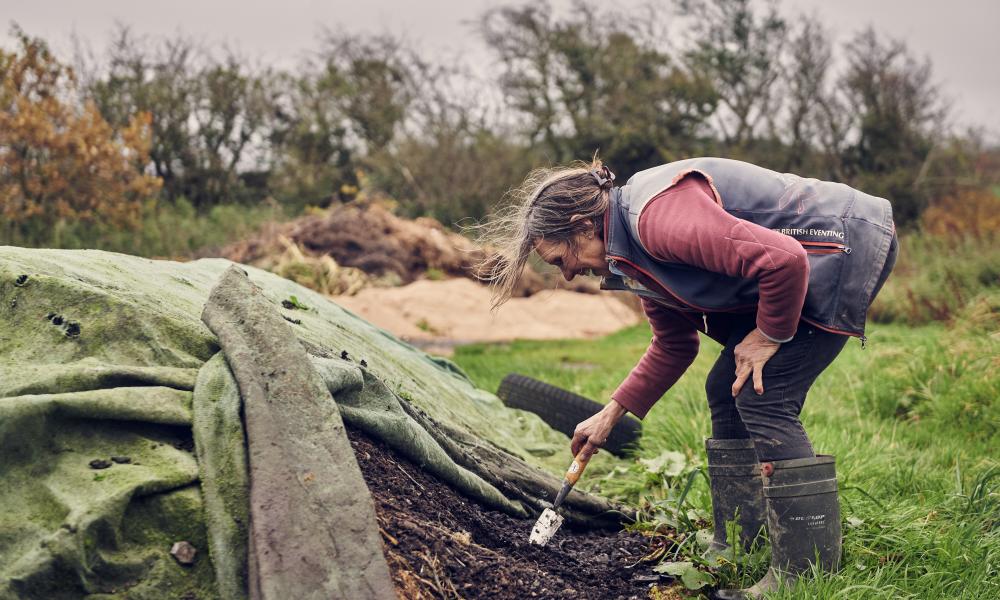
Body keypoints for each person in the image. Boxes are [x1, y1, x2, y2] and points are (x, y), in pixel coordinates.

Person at [481, 157, 897, 600]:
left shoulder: (657, 221)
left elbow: (785, 260)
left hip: (841, 245)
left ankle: (803, 575)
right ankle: (739, 542)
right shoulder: (631, 256)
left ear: (584, 226)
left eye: (561, 258)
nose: (566, 273)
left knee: (765, 395)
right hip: (802, 261)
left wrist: (769, 334)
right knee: (725, 386)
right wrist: (610, 414)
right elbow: (673, 345)